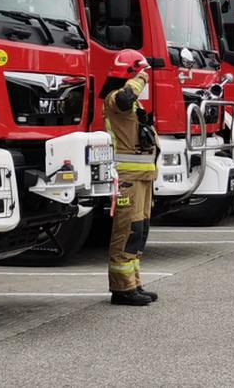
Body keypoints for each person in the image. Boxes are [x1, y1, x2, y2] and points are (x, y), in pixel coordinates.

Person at [102, 49, 159, 306]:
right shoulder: (116, 99)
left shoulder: (134, 103)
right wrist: (140, 77)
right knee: (127, 230)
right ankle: (121, 289)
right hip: (127, 177)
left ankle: (133, 283)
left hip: (143, 176)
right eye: (139, 71)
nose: (143, 76)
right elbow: (125, 98)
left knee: (140, 230)